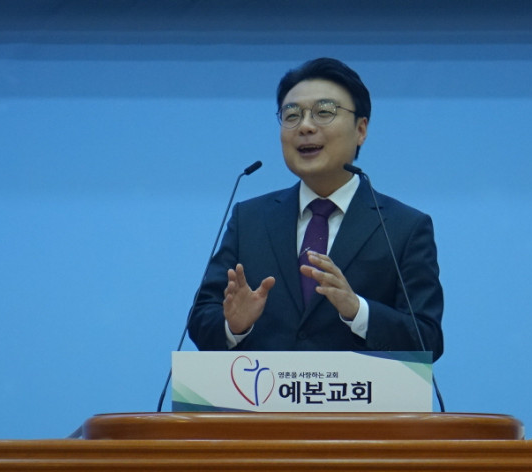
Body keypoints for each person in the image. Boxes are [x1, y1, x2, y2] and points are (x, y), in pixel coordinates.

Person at [188, 57, 444, 360]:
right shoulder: (249, 219)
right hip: (260, 390)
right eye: (292, 115)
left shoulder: (404, 227)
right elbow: (201, 318)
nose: (305, 126)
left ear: (361, 129)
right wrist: (234, 326)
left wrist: (358, 311)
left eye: (324, 112)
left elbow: (427, 339)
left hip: (356, 392)